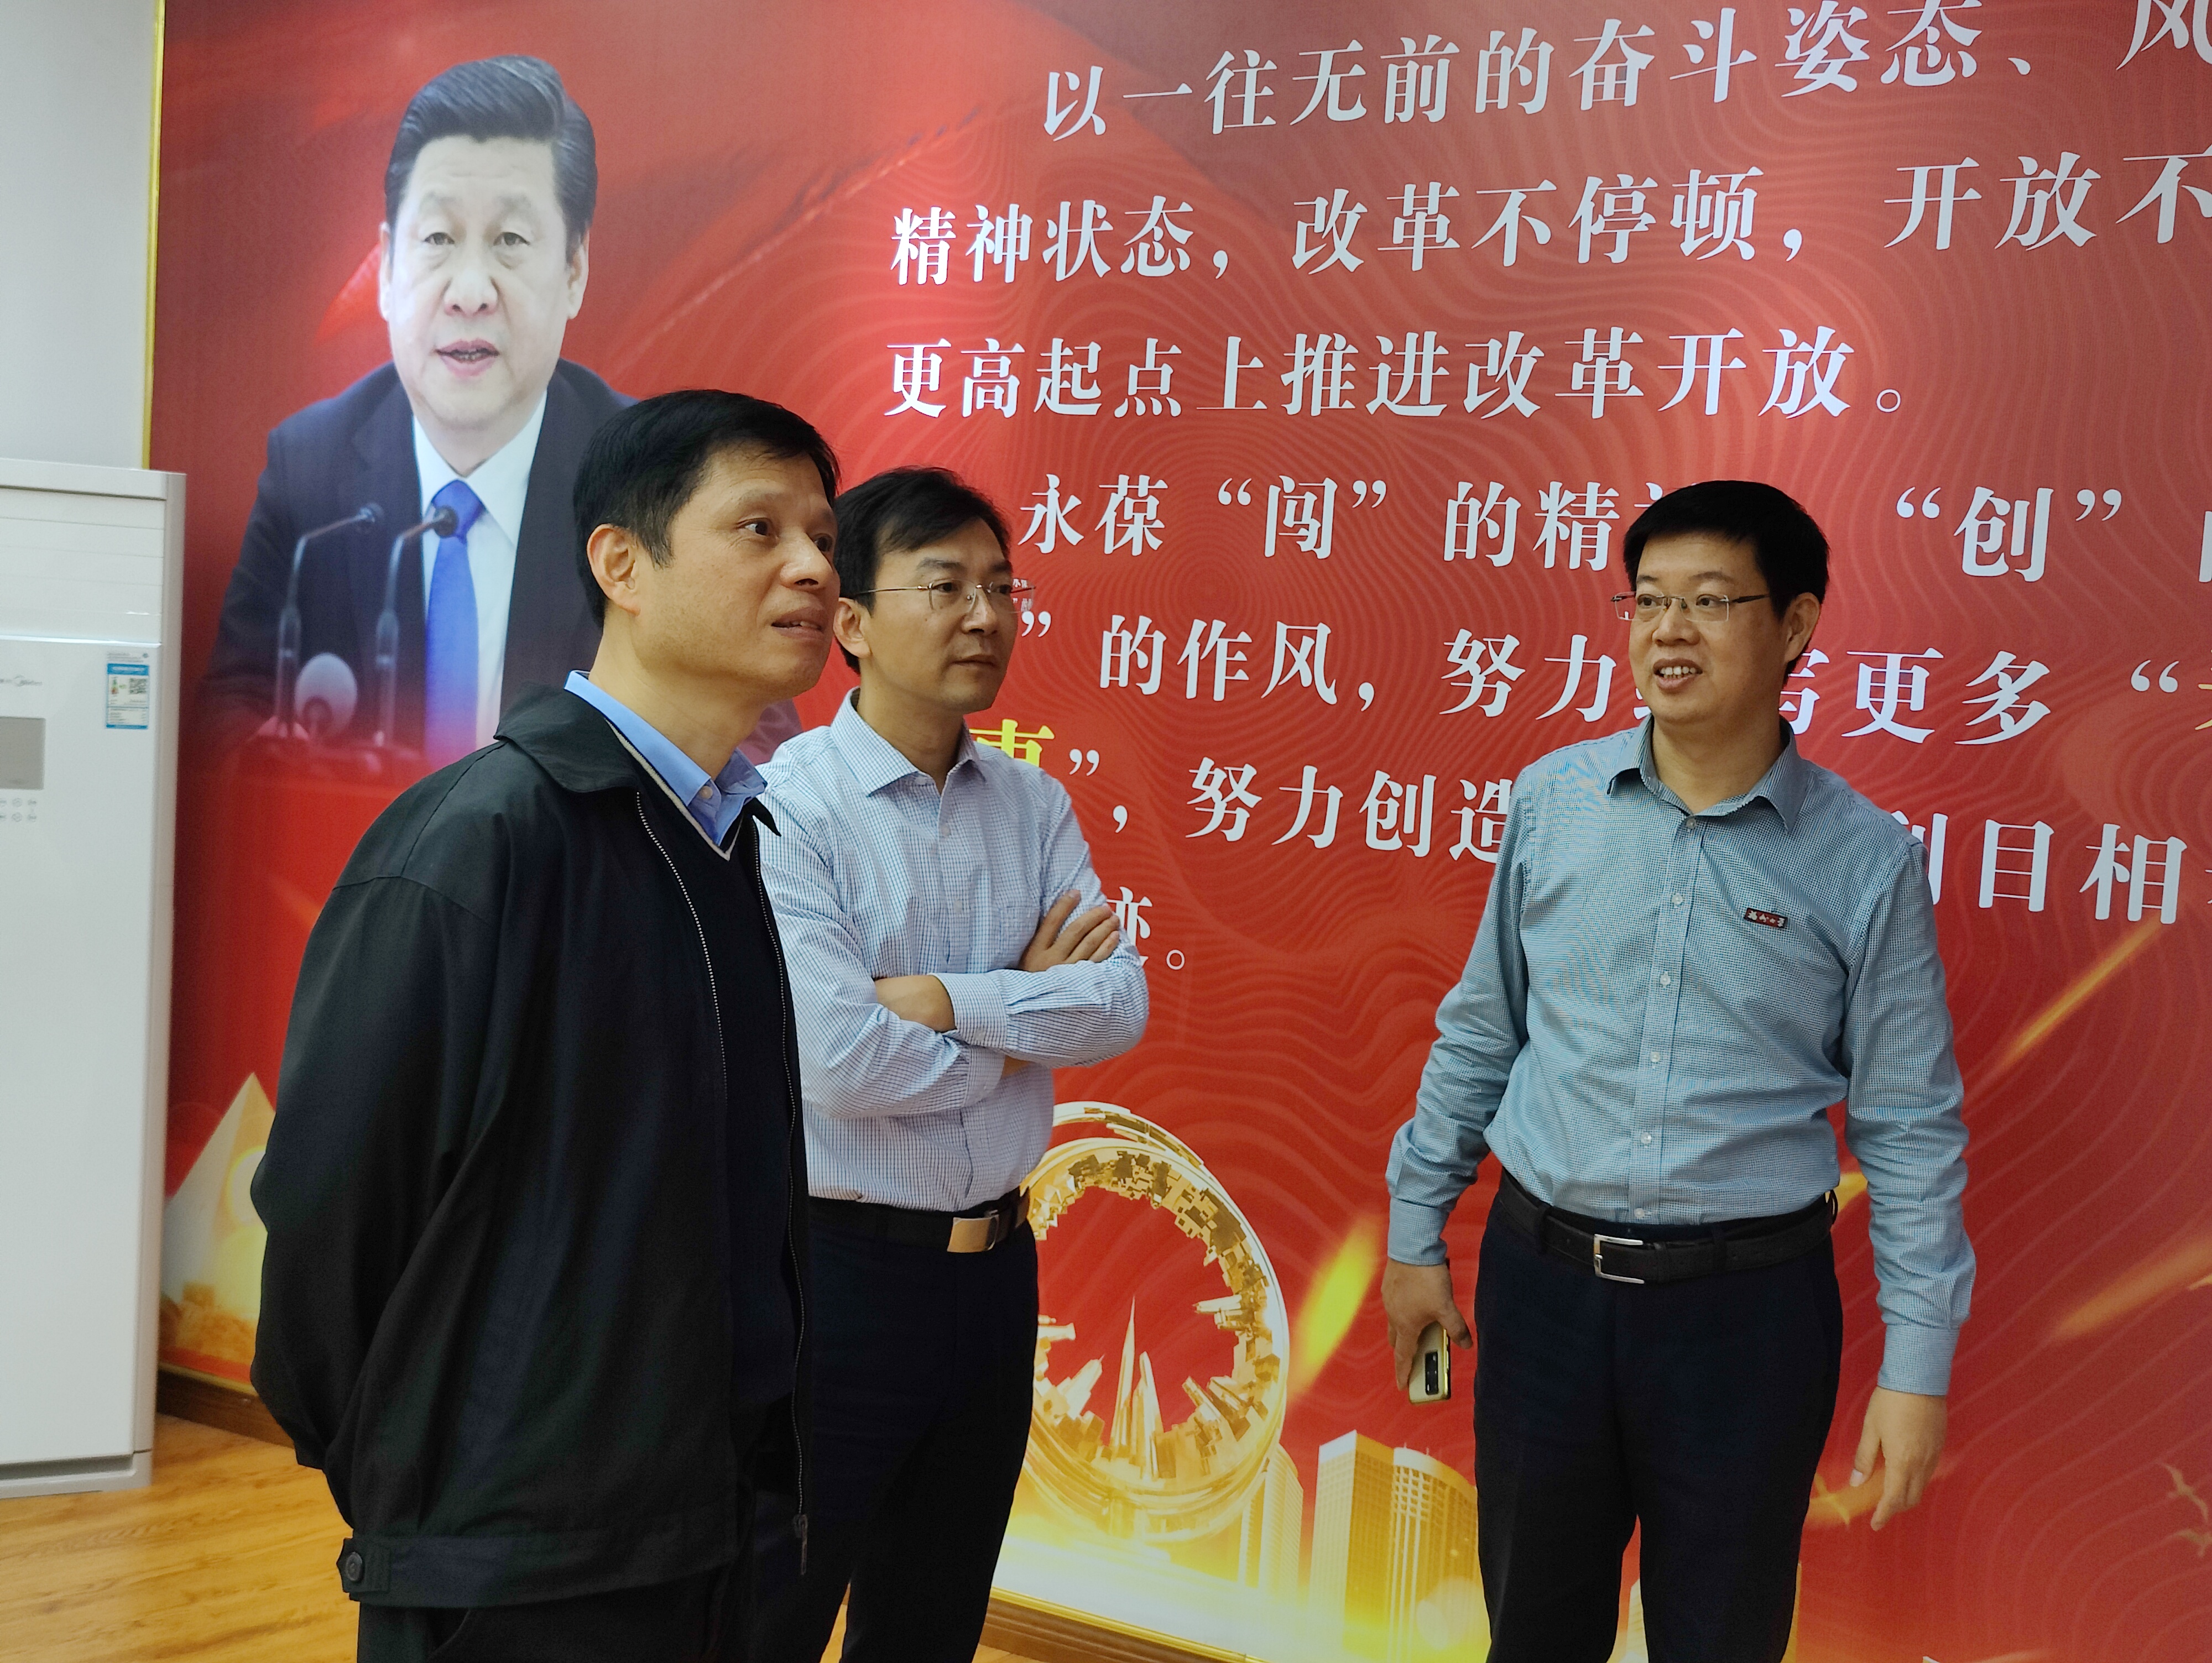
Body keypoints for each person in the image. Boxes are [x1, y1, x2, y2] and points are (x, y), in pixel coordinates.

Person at [250, 389, 840, 1663]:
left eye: (823, 537)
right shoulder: (484, 839)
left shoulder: (725, 839)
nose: (810, 567)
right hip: (520, 1563)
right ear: (620, 562)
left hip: (720, 1533)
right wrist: (426, 1484)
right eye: (759, 528)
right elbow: (329, 1214)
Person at [1382, 480, 1972, 1663]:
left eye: (1708, 601)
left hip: (1744, 1317)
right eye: (1647, 601)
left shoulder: (1863, 860)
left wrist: (1916, 1368)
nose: (1668, 632)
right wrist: (1413, 1229)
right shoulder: (1555, 801)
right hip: (1544, 1287)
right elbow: (1483, 1029)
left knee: (1720, 1636)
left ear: (1794, 625)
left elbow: (1909, 1124)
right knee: (1532, 1629)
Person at [750, 467, 1149, 1660]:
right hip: (833, 1277)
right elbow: (839, 1062)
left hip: (995, 1279)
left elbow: (1116, 1004)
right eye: (945, 586)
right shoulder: (789, 807)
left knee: (933, 1617)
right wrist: (1018, 1022)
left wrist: (938, 1000)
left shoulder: (1033, 804)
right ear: (853, 622)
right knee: (774, 1613)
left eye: (1001, 587)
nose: (986, 616)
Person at [196, 54, 799, 765]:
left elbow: (758, 738)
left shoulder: (656, 477)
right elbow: (229, 710)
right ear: (386, 268)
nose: (470, 292)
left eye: (510, 241)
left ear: (574, 271)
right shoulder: (311, 464)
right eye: (438, 240)